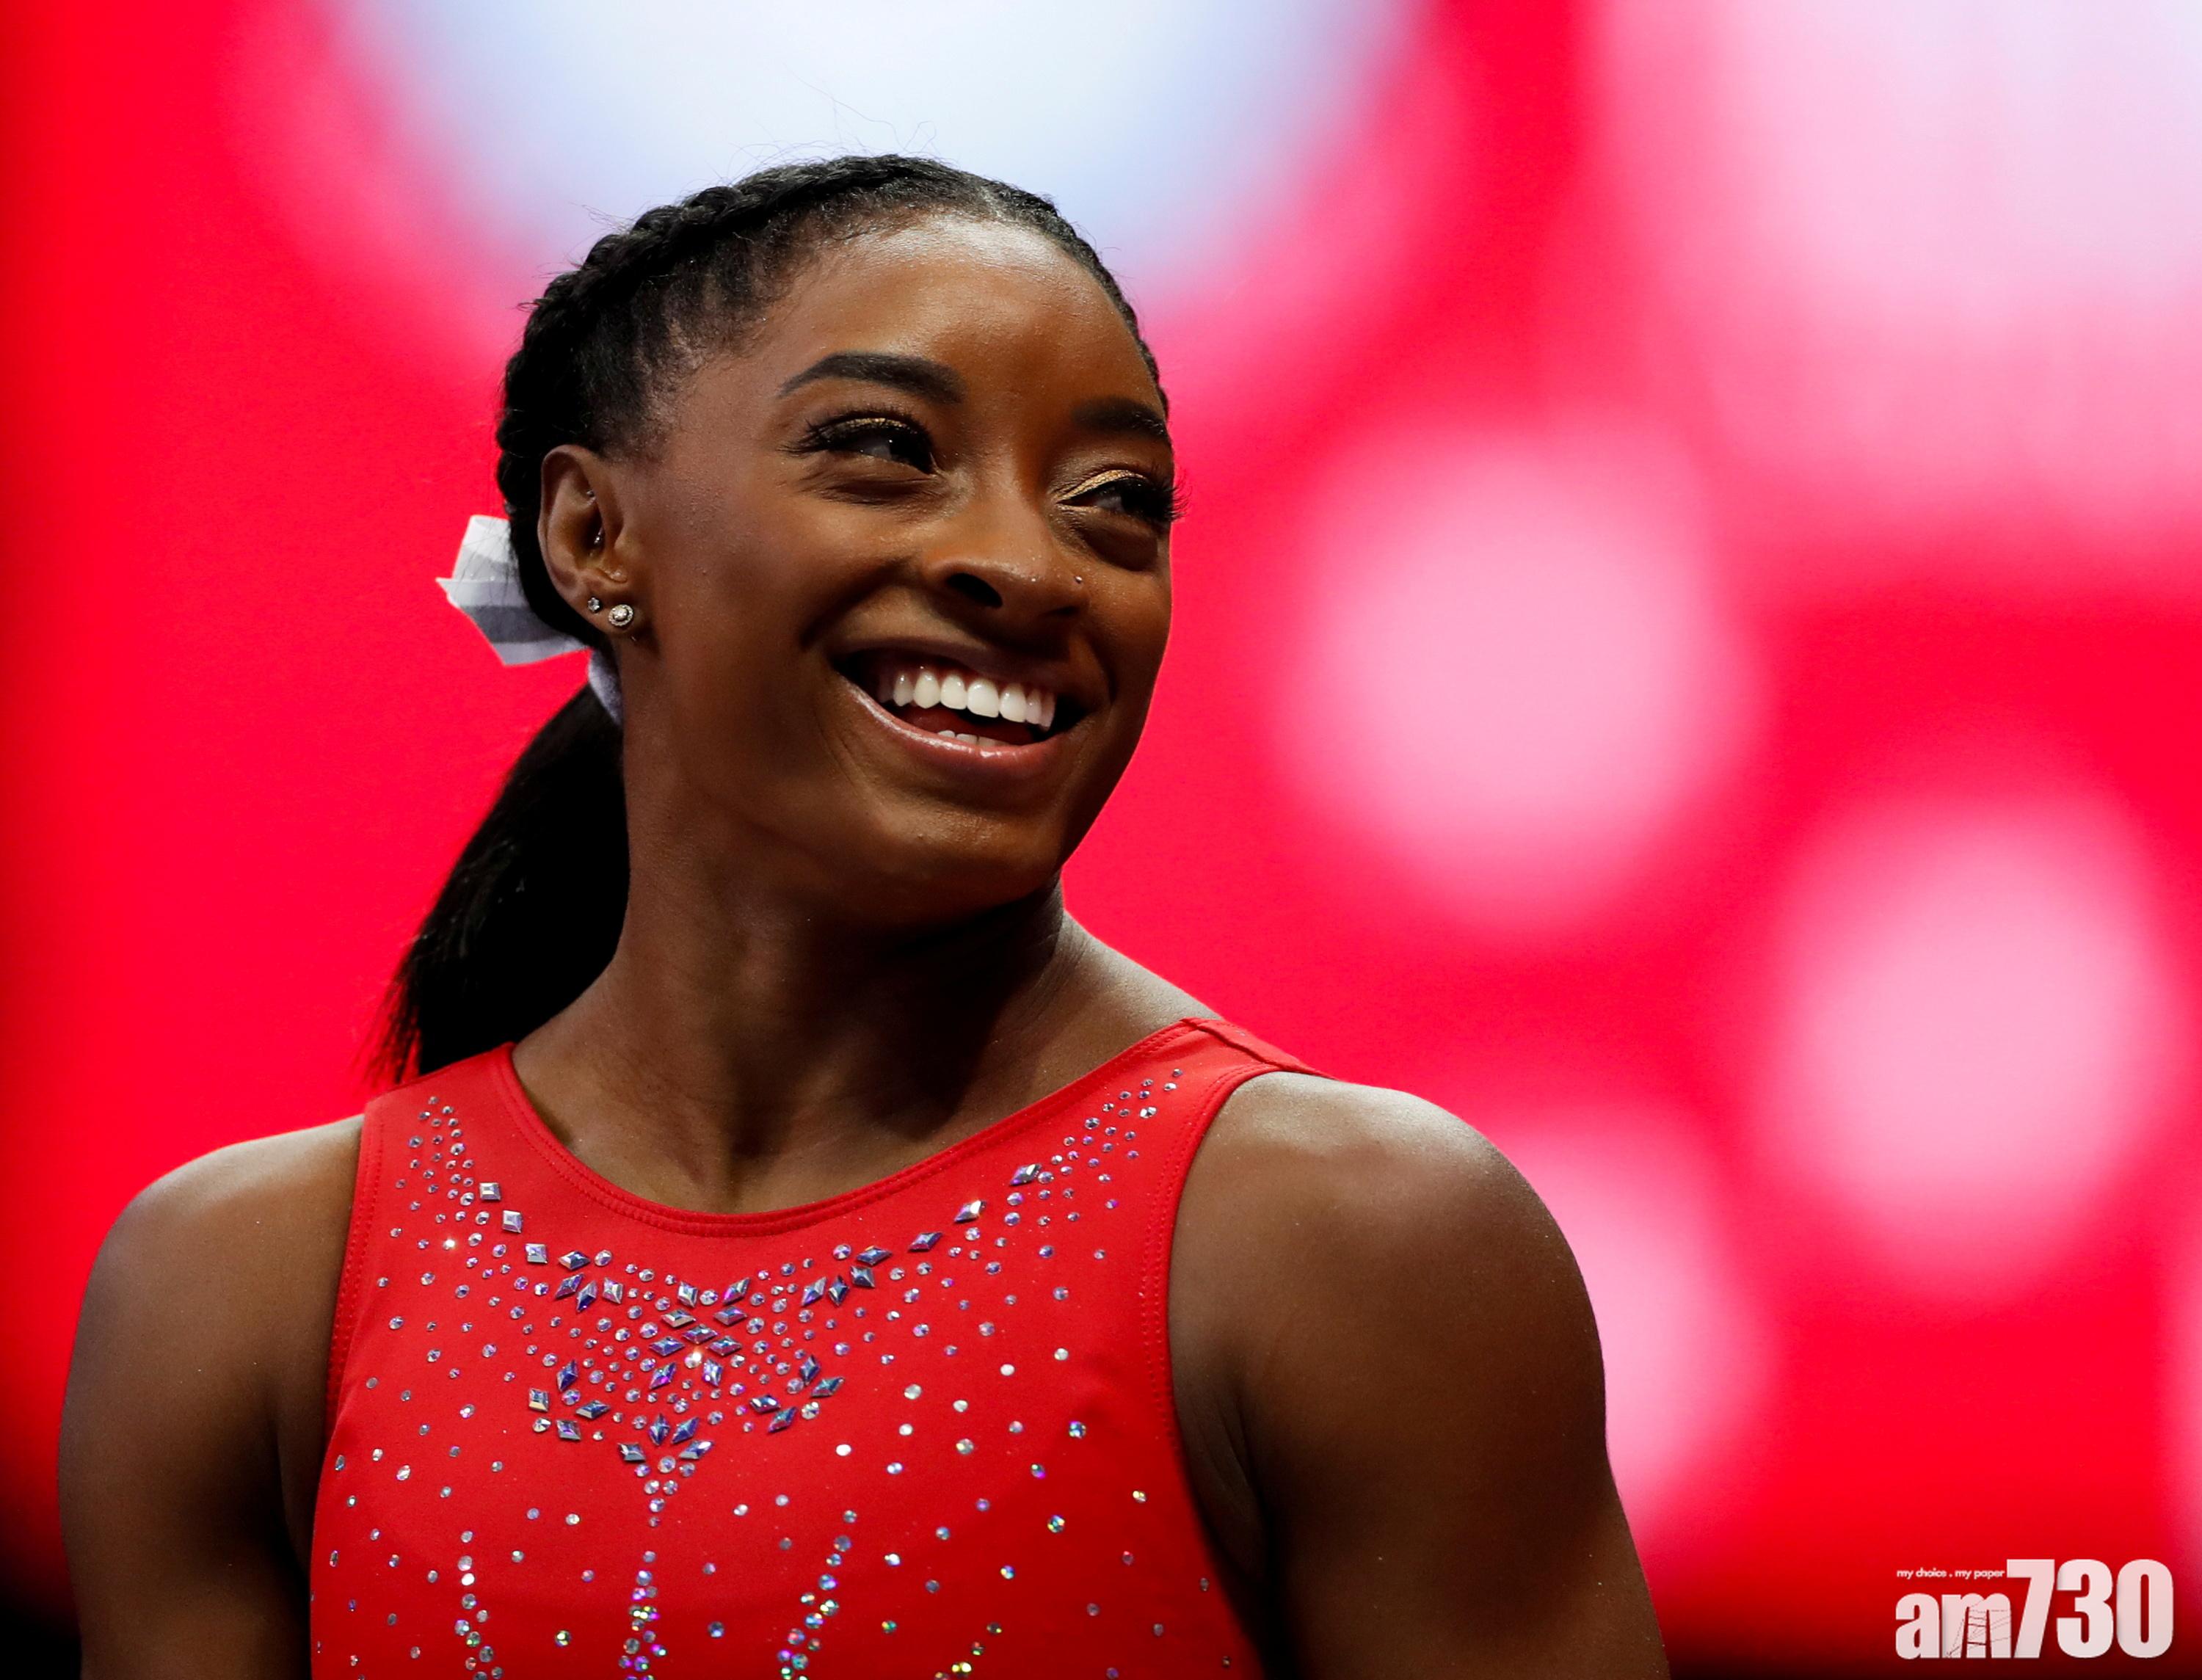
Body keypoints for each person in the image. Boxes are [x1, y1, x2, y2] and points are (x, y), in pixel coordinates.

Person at [60, 156, 1667, 1679]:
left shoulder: (1351, 1247)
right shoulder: (245, 1286)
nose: (1032, 567)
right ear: (590, 535)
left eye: (1115, 501)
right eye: (887, 450)